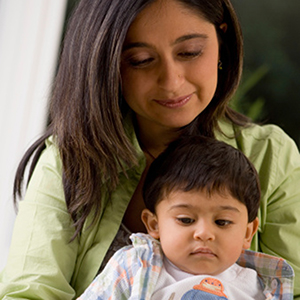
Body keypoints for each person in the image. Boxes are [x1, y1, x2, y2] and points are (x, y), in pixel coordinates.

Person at [0, 0, 299, 299]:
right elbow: (29, 292)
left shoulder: (272, 155)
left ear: (221, 40)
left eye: (190, 52)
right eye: (141, 60)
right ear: (105, 65)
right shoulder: (69, 159)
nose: (171, 82)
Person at [77, 136, 294, 300]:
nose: (204, 234)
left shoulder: (260, 287)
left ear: (248, 232)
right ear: (154, 224)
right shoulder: (134, 267)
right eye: (186, 220)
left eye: (222, 222)